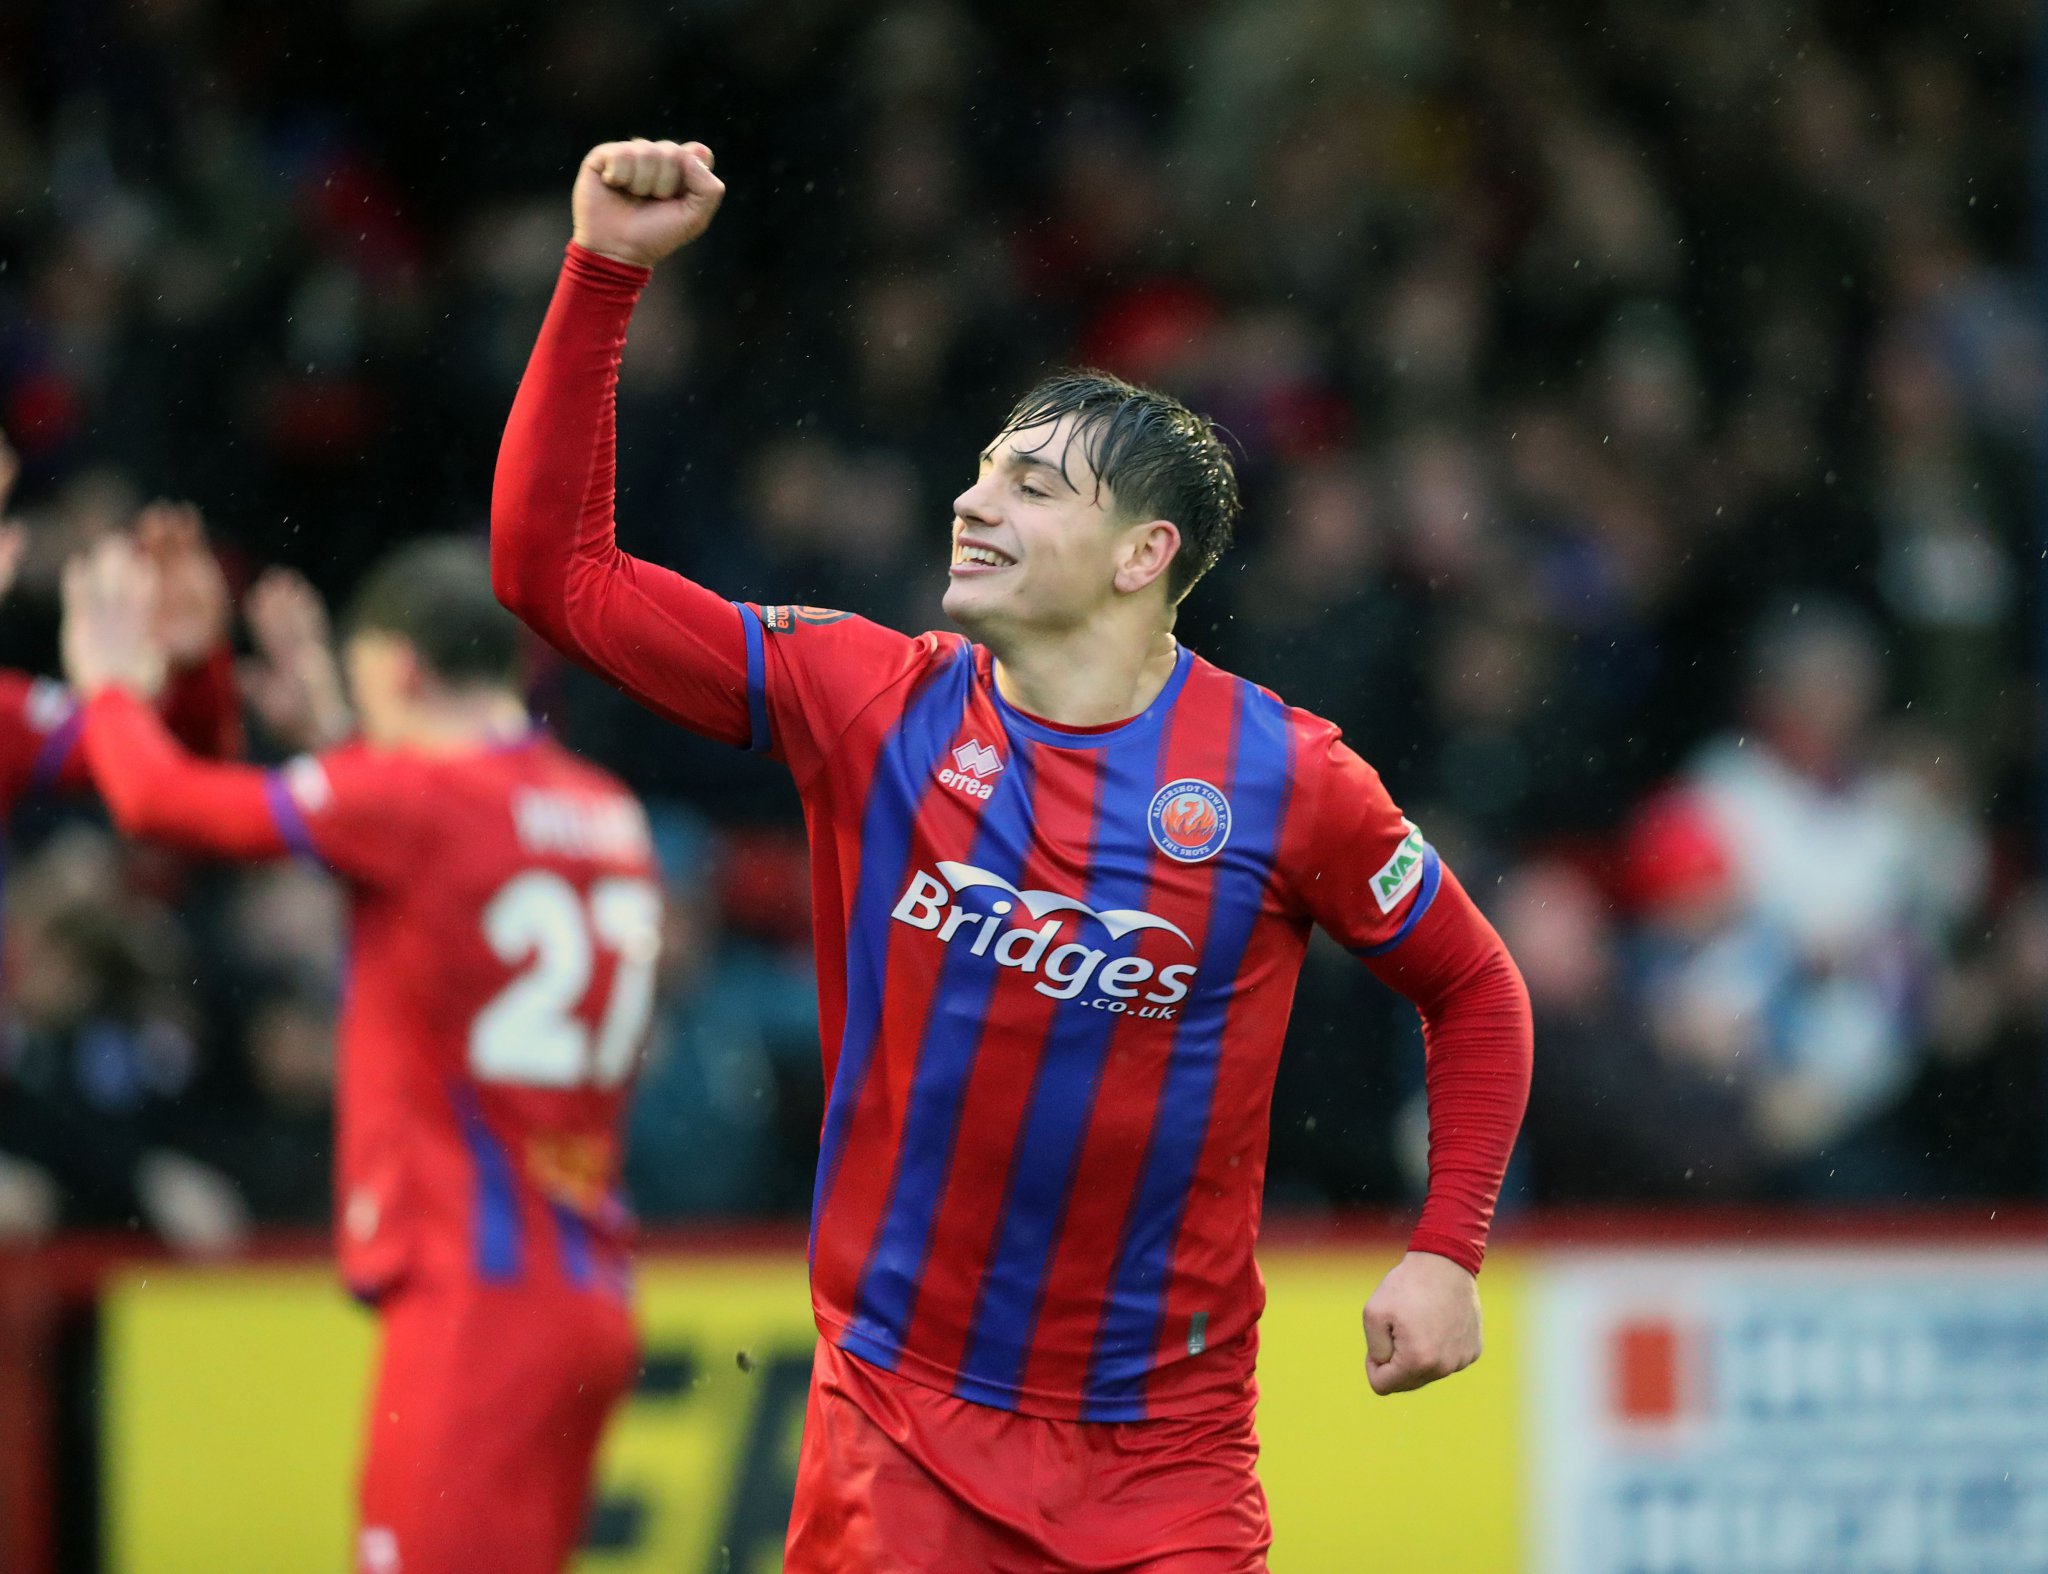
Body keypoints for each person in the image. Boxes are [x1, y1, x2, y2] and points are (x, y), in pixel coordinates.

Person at [493, 138, 1533, 1573]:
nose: (975, 501)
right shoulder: (868, 698)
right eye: (984, 471)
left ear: (1139, 553)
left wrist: (1446, 1246)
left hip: (1165, 1460)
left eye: (1034, 485)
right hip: (897, 1429)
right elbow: (556, 573)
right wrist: (606, 268)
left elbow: (1475, 986)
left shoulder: (1286, 779)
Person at [62, 535, 660, 1574]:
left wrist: (110, 689)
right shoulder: (608, 811)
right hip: (588, 1287)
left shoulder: (409, 804)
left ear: (397, 668)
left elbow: (163, 804)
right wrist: (339, 734)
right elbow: (457, 879)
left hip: (475, 1301)